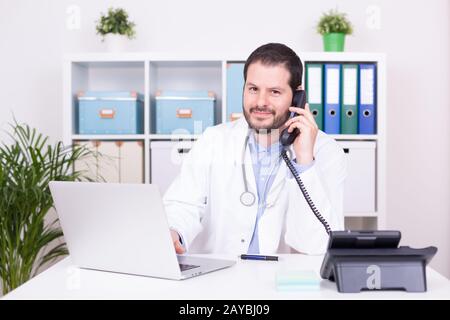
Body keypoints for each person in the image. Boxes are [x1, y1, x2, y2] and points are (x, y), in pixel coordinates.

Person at [164, 43, 347, 255]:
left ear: (298, 97)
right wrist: (174, 232)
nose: (260, 102)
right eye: (253, 89)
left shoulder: (326, 152)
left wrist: (304, 161)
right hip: (221, 279)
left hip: (287, 282)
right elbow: (183, 203)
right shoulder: (214, 140)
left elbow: (318, 244)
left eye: (275, 92)